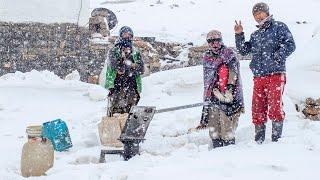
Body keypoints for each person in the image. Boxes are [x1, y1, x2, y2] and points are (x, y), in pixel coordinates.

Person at [234, 2, 296, 143]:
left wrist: (277, 56)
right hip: (259, 76)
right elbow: (244, 50)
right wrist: (239, 35)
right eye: (255, 15)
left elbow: (290, 44)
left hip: (275, 74)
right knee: (257, 108)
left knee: (275, 107)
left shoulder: (279, 27)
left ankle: (276, 139)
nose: (258, 16)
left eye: (260, 13)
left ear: (267, 13)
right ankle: (259, 139)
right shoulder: (255, 35)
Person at [202, 30, 244, 148]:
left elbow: (234, 71)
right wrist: (213, 90)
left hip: (229, 95)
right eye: (210, 41)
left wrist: (229, 89)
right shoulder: (207, 57)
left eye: (216, 40)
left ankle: (229, 151)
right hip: (213, 96)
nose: (214, 43)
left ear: (220, 40)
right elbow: (208, 78)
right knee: (214, 127)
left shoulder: (228, 53)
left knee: (227, 126)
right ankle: (216, 149)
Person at [105, 26, 144, 117]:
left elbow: (141, 68)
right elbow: (116, 66)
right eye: (125, 34)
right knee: (116, 109)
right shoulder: (114, 50)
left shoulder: (135, 52)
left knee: (131, 109)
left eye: (129, 34)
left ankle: (127, 127)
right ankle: (114, 128)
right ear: (121, 35)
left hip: (132, 85)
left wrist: (131, 67)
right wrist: (130, 66)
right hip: (117, 84)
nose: (127, 36)